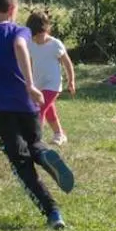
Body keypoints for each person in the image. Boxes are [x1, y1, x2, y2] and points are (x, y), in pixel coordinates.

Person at [0, 0, 75, 229]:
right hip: (27, 104)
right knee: (34, 144)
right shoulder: (19, 32)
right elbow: (21, 47)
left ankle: (52, 212)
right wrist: (30, 86)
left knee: (20, 162)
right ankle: (45, 155)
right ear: (13, 8)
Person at [26, 10, 75, 146]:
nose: (38, 38)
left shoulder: (55, 44)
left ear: (47, 29)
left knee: (39, 108)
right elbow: (28, 64)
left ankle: (35, 139)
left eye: (41, 34)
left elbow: (67, 64)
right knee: (49, 111)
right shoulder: (30, 44)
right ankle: (59, 134)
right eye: (35, 35)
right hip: (37, 85)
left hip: (52, 85)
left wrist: (71, 81)